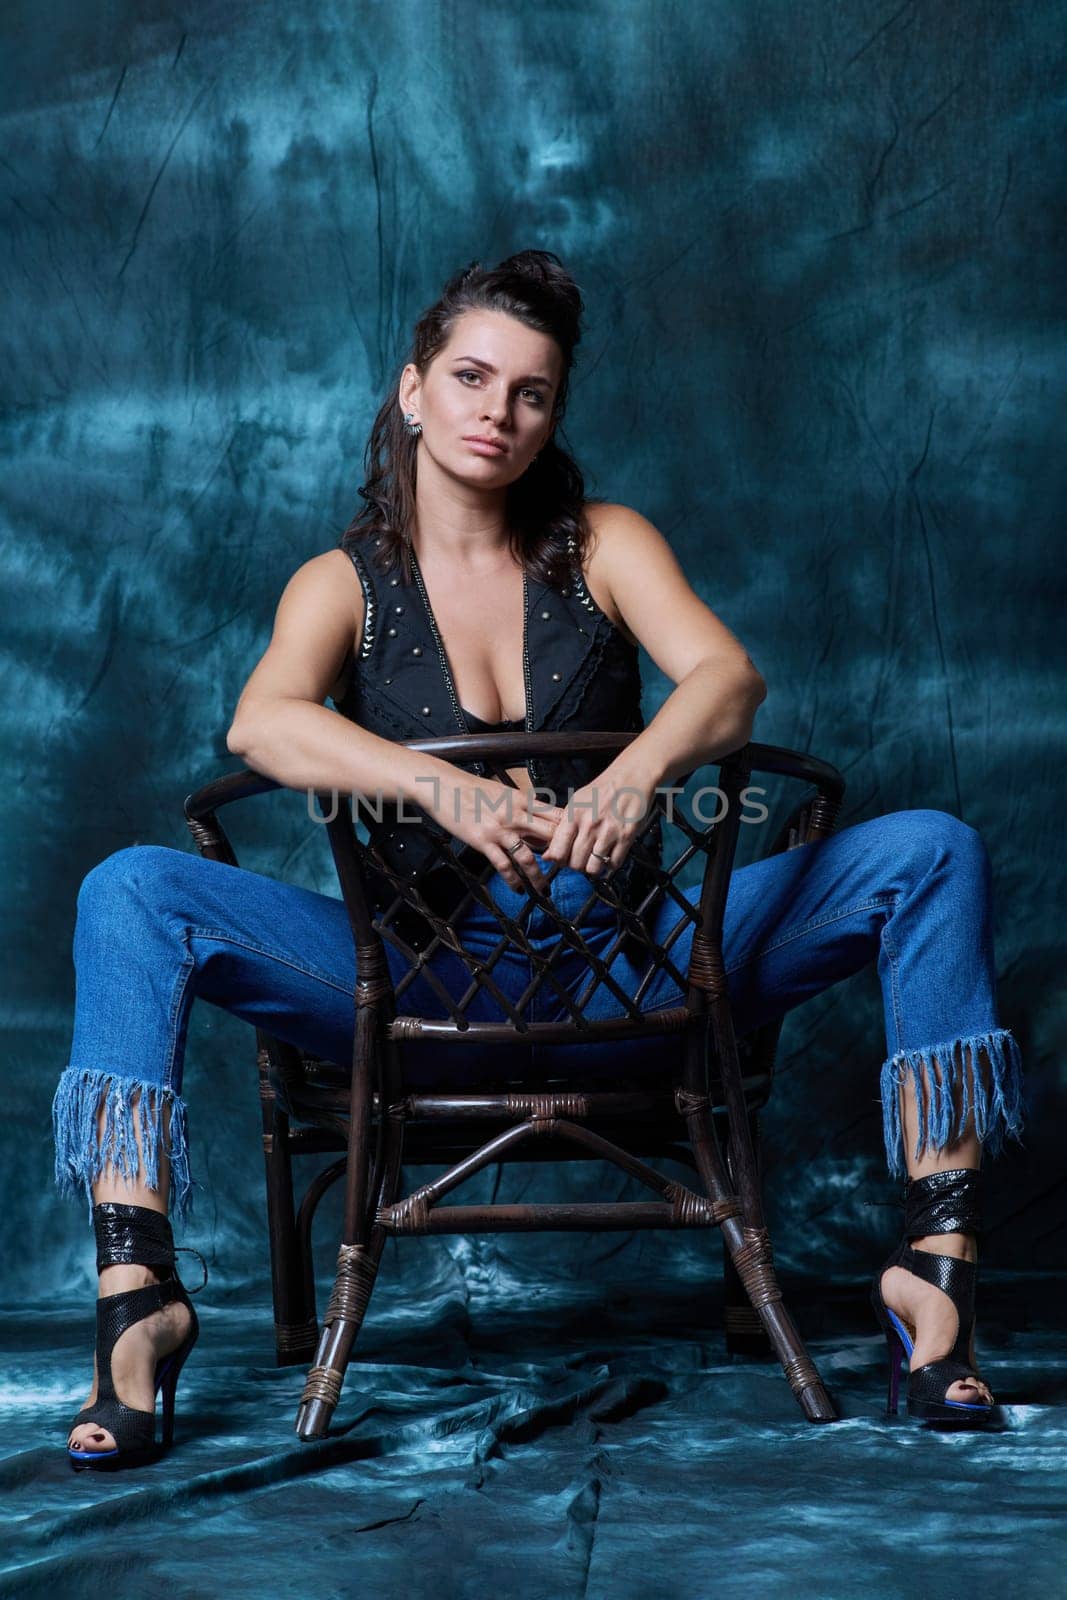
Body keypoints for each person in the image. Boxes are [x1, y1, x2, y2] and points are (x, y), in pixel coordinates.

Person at [55, 250, 1024, 1468]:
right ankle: (138, 1300)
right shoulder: (342, 584)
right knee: (129, 890)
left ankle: (933, 1274)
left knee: (930, 852)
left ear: (553, 413)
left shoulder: (601, 544)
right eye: (468, 377)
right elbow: (262, 724)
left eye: (530, 392)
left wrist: (633, 775)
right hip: (417, 993)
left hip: (644, 975)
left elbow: (727, 678)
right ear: (411, 391)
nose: (494, 413)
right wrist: (440, 786)